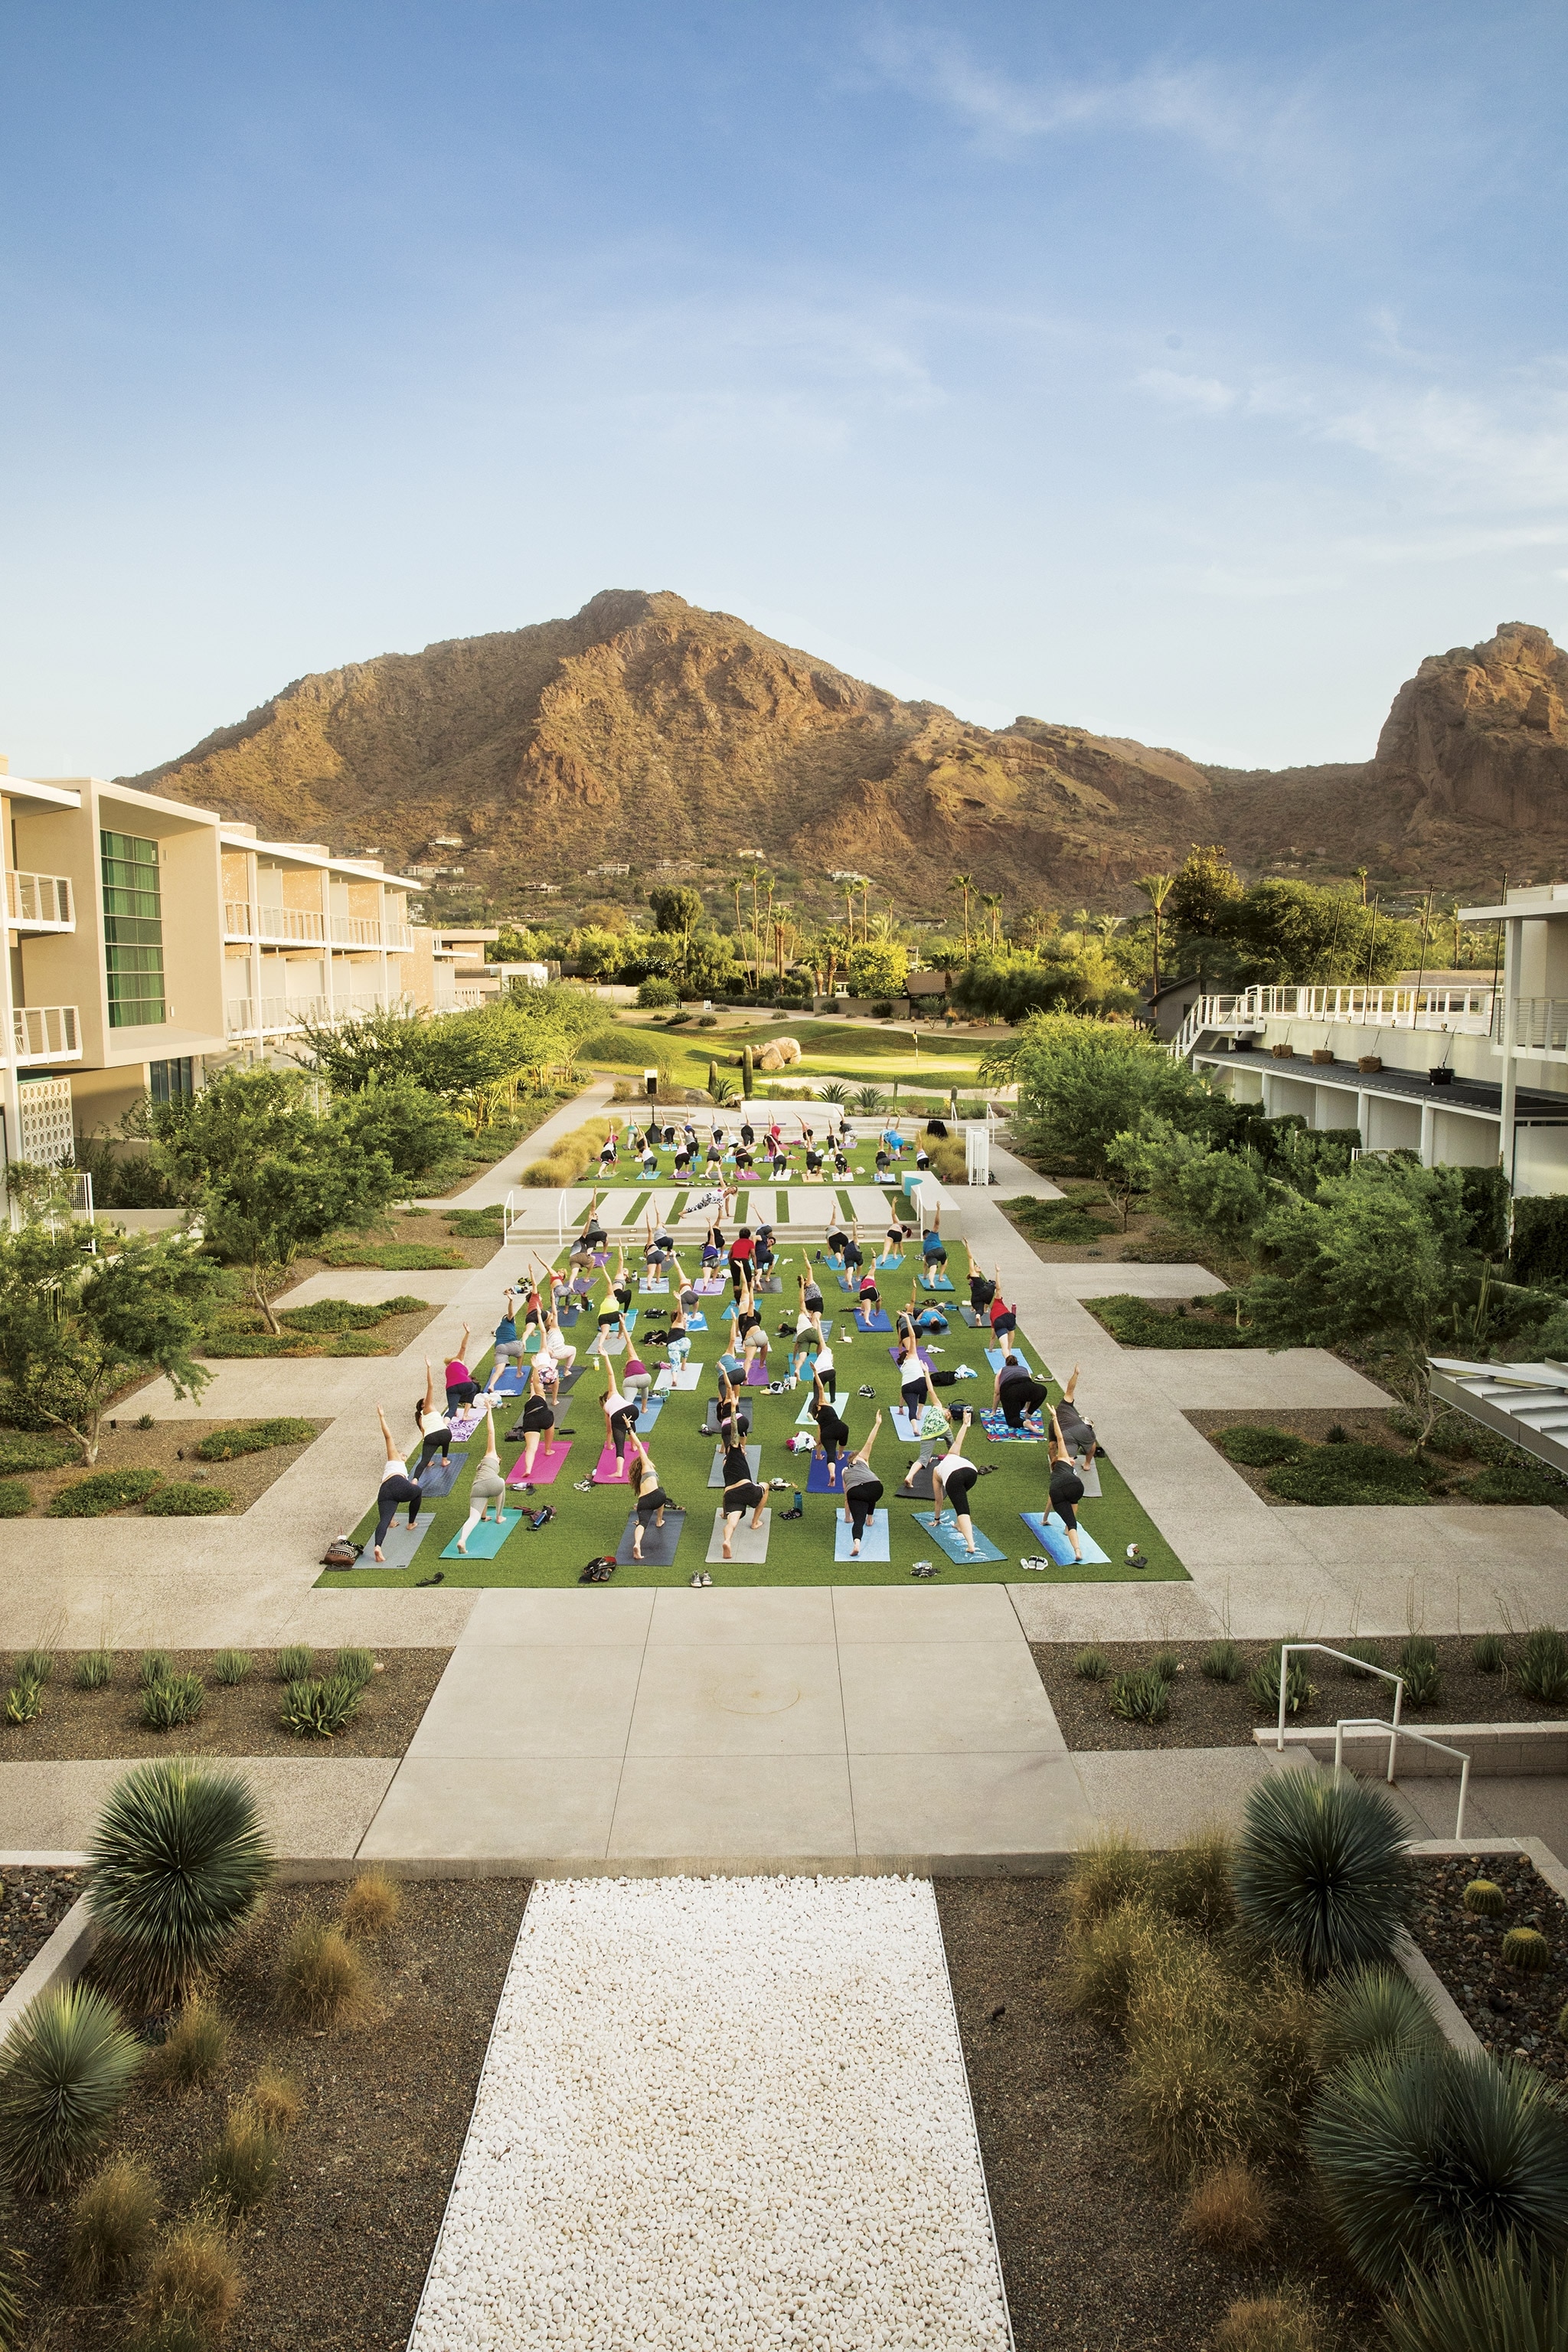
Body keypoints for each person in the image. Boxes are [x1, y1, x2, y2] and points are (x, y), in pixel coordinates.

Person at [454, 1404, 508, 1556]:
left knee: (473, 1518)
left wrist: (484, 1517)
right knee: (501, 1482)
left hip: (477, 1488)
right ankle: (499, 1516)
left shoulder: (481, 1465)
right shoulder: (491, 1455)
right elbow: (491, 1432)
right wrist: (489, 1410)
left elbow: (484, 1492)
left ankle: (462, 1540)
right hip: (493, 1483)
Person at [371, 1405, 423, 1562]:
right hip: (396, 1483)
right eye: (402, 1454)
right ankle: (411, 1523)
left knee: (385, 1521)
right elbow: (388, 1437)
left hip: (385, 1491)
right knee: (418, 1491)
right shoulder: (393, 1458)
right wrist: (382, 1417)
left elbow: (401, 1488)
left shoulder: (398, 1468)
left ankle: (378, 1547)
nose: (403, 1455)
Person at [932, 1409, 982, 1557]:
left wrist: (937, 1519)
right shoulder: (953, 1454)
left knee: (962, 1509)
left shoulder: (936, 1472)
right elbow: (959, 1440)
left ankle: (971, 1545)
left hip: (955, 1478)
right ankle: (960, 1525)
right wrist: (965, 1424)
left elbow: (939, 1500)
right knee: (960, 1497)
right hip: (971, 1472)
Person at [719, 1425, 766, 1560]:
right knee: (766, 1486)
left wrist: (724, 1513)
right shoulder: (735, 1452)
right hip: (747, 1489)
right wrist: (733, 1408)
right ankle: (755, 1522)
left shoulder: (726, 1463)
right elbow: (734, 1433)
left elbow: (724, 1495)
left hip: (731, 1495)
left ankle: (727, 1540)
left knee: (731, 1523)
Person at [840, 1412, 884, 1556]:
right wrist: (877, 1423)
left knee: (857, 1522)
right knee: (870, 1494)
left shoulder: (844, 1471)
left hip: (855, 1492)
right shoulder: (862, 1458)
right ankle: (870, 1518)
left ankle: (857, 1544)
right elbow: (869, 1442)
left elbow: (847, 1496)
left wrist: (847, 1517)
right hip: (876, 1488)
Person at [1047, 1406, 1086, 1563]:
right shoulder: (1062, 1458)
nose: (1073, 1460)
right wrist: (1055, 1418)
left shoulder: (1056, 1472)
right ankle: (1077, 1550)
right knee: (1072, 1516)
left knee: (1071, 1523)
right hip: (1075, 1485)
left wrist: (1044, 1519)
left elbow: (1050, 1500)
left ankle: (1077, 1550)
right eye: (1073, 1459)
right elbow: (1060, 1438)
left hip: (1058, 1491)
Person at [626, 1435, 670, 1560]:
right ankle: (659, 1521)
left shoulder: (640, 1481)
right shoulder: (646, 1467)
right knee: (660, 1491)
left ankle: (637, 1544)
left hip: (644, 1503)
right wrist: (629, 1429)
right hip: (658, 1497)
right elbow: (639, 1445)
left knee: (643, 1524)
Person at [512, 1367, 557, 1480]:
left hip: (530, 1420)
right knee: (550, 1424)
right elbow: (536, 1383)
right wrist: (536, 1367)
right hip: (543, 1415)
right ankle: (548, 1450)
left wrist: (535, 1370)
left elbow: (534, 1384)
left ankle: (528, 1469)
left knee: (531, 1448)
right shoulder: (541, 1394)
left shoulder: (529, 1401)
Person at [413, 1362, 453, 1478]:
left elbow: (424, 1436)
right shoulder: (428, 1407)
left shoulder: (420, 1418)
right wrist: (429, 1367)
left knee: (423, 1462)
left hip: (431, 1437)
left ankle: (415, 1480)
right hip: (445, 1434)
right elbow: (431, 1385)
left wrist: (427, 1458)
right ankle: (444, 1460)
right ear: (422, 1406)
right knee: (445, 1432)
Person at [1055, 1366, 1098, 1470]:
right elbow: (1070, 1389)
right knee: (1092, 1444)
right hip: (1081, 1429)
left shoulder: (1057, 1417)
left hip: (1066, 1434)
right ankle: (1087, 1464)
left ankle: (1066, 1472)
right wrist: (1076, 1374)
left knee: (1067, 1458)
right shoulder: (1065, 1405)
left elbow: (1053, 1444)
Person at [995, 1351, 1049, 1430]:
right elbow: (1030, 1389)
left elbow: (997, 1392)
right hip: (1025, 1388)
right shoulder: (1024, 1369)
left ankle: (1025, 1423)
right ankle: (1028, 1414)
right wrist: (1029, 1410)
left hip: (1009, 1391)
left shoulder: (1002, 1370)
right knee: (1043, 1390)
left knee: (1012, 1419)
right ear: (1017, 1363)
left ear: (1006, 1364)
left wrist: (994, 1410)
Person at [812, 1374, 849, 1488]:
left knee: (830, 1454)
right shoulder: (824, 1403)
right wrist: (815, 1372)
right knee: (843, 1436)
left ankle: (832, 1474)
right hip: (840, 1427)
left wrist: (818, 1455)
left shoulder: (817, 1417)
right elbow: (820, 1387)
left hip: (827, 1434)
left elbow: (820, 1438)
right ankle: (841, 1455)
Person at [600, 1375, 640, 1474]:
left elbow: (609, 1430)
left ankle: (619, 1471)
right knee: (630, 1422)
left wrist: (609, 1446)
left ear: (606, 1399)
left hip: (617, 1416)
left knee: (620, 1445)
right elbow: (611, 1375)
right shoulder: (616, 1394)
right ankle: (633, 1446)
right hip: (633, 1410)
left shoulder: (606, 1406)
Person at [895, 1329, 928, 1423]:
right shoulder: (914, 1358)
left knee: (912, 1406)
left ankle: (915, 1420)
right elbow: (912, 1337)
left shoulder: (903, 1367)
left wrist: (901, 1407)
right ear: (907, 1355)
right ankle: (919, 1414)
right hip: (920, 1383)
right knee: (923, 1390)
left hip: (908, 1386)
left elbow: (903, 1391)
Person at [443, 1329, 476, 1415]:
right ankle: (465, 1414)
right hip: (464, 1385)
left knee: (451, 1410)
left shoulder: (448, 1370)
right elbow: (463, 1347)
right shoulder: (458, 1359)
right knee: (474, 1388)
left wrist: (454, 1408)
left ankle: (446, 1422)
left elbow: (451, 1386)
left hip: (451, 1388)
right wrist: (467, 1333)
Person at [921, 1207, 948, 1272]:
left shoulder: (925, 1244)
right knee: (945, 1261)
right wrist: (938, 1209)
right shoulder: (933, 1234)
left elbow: (925, 1261)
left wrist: (924, 1275)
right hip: (940, 1251)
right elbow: (937, 1223)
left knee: (932, 1267)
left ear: (924, 1237)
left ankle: (929, 1276)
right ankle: (940, 1277)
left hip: (930, 1254)